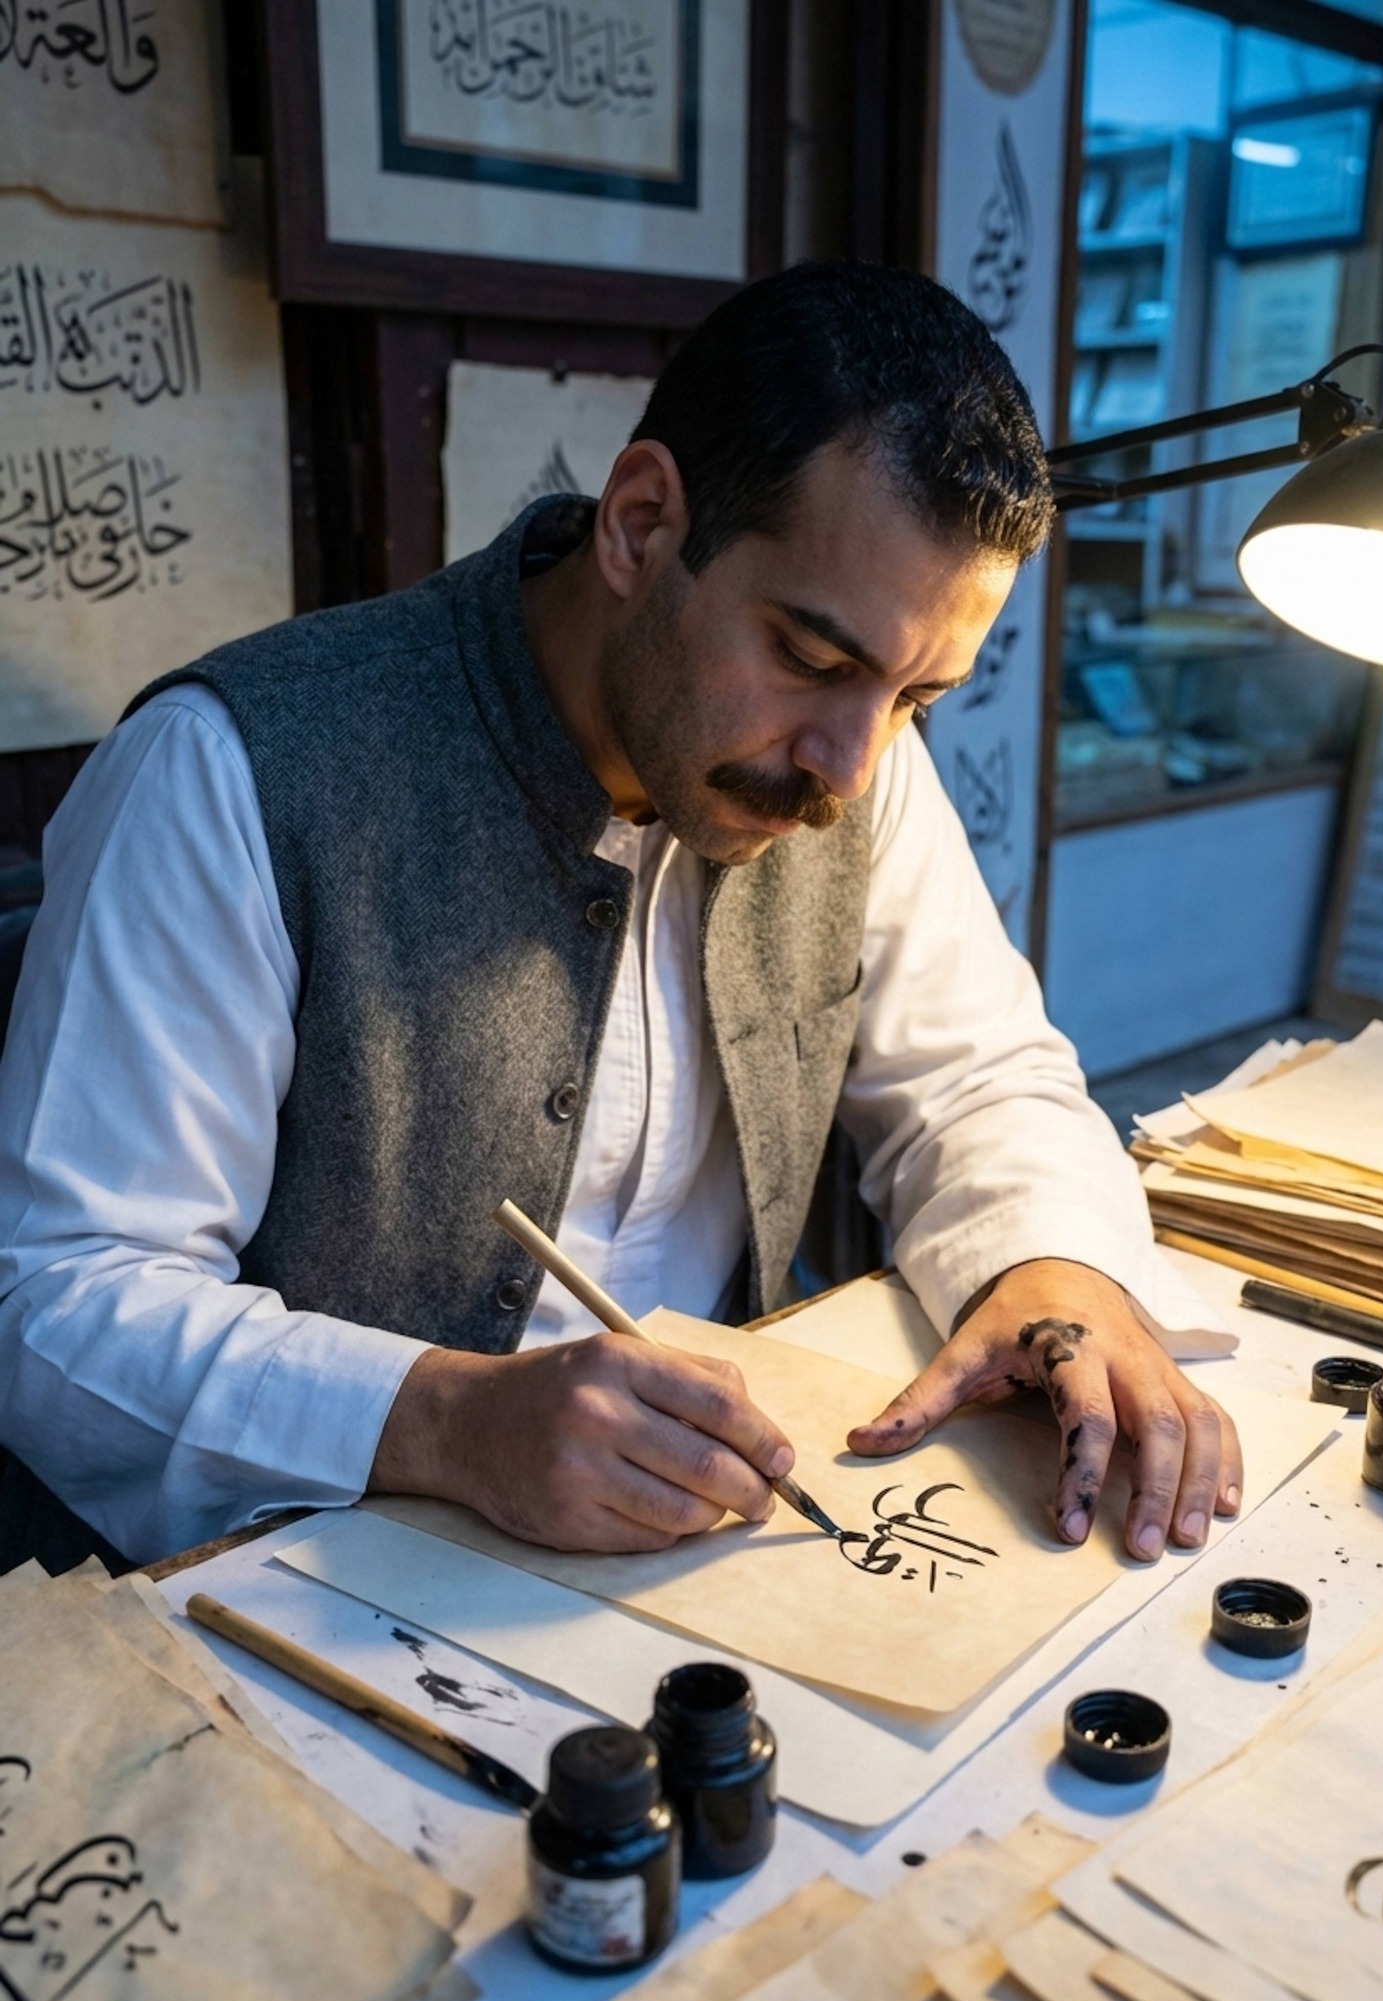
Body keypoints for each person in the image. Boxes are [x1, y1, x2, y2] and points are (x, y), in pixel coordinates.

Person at [0, 261, 1240, 1570]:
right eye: (814, 661)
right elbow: (59, 1301)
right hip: (316, 1588)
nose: (852, 764)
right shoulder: (233, 770)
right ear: (642, 524)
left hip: (715, 1558)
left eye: (916, 697)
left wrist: (1051, 1271)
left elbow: (977, 1073)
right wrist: (440, 1422)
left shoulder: (850, 756)